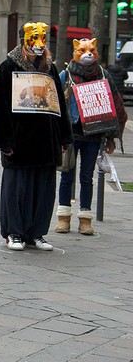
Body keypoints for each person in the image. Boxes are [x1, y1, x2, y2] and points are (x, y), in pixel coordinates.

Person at [0, 22, 72, 251]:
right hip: (20, 142)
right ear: (24, 40)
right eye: (34, 39)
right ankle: (14, 232)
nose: (39, 44)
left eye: (43, 39)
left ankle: (36, 232)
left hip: (46, 140)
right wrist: (5, 141)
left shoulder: (49, 68)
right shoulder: (8, 67)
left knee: (43, 190)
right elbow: (2, 107)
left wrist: (64, 137)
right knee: (17, 189)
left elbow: (60, 105)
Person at [56, 38, 126, 235]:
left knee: (87, 177)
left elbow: (115, 105)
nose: (87, 53)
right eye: (82, 50)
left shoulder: (103, 75)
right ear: (75, 51)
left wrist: (111, 137)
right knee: (66, 176)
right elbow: (54, 102)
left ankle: (85, 218)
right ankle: (63, 217)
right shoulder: (66, 74)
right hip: (71, 134)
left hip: (93, 135)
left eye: (91, 50)